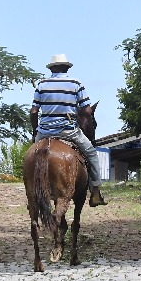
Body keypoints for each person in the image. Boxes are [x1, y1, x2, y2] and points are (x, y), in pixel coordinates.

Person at [30, 54, 107, 207]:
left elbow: (33, 112)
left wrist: (35, 131)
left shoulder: (41, 85)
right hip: (68, 131)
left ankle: (31, 193)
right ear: (66, 68)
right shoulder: (75, 83)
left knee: (31, 157)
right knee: (92, 153)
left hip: (44, 131)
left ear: (51, 69)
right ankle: (96, 192)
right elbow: (87, 111)